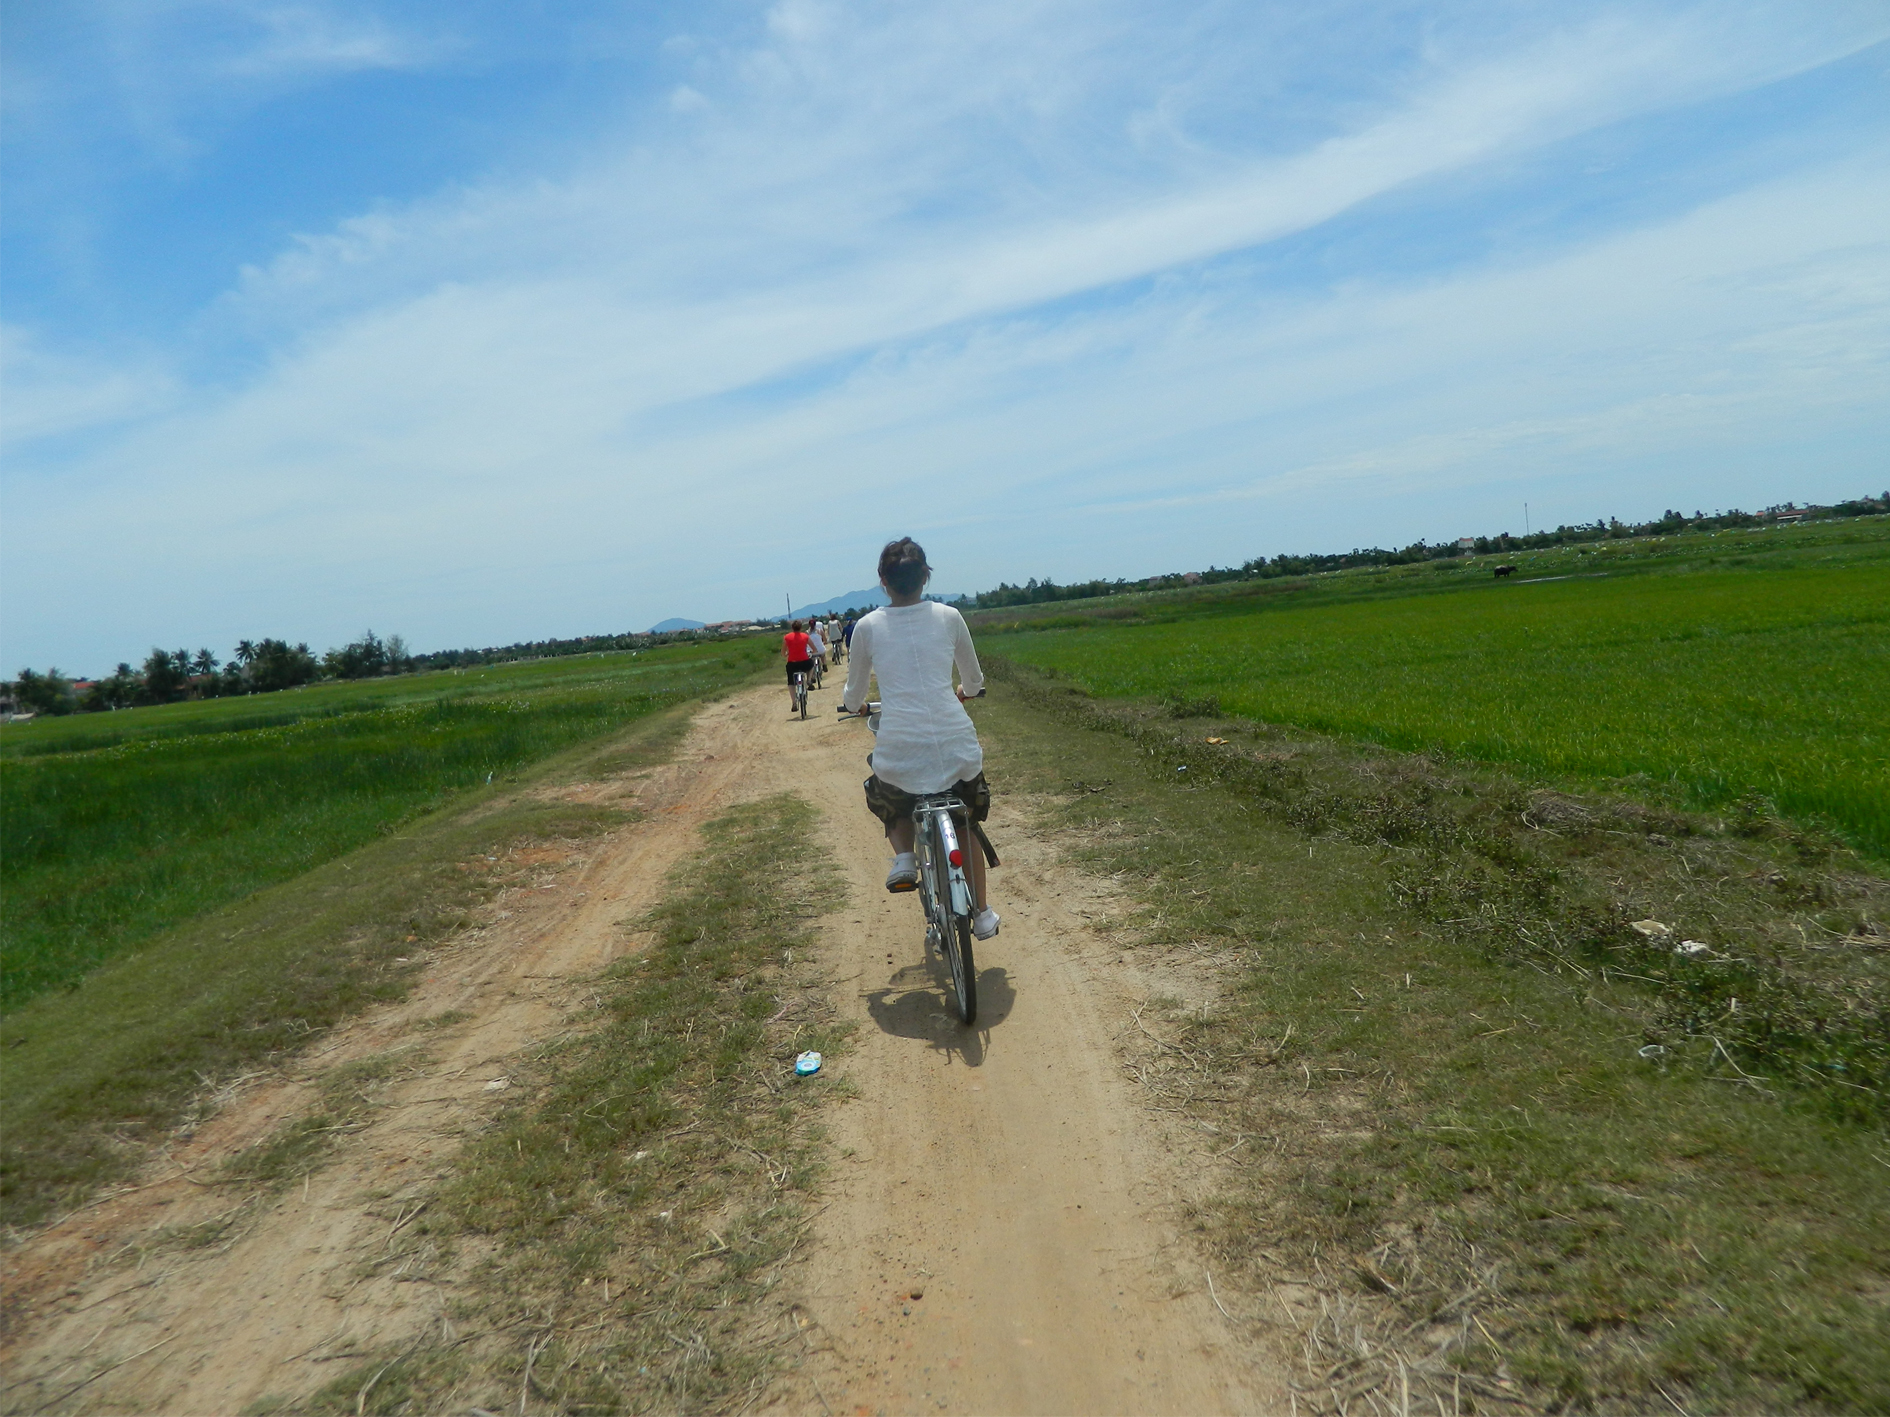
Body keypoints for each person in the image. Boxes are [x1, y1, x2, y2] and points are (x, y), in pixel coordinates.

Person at [842, 537, 999, 940]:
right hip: (955, 746)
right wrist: (967, 691)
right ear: (926, 576)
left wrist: (856, 706)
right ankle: (981, 914)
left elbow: (854, 694)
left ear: (883, 580)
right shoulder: (949, 616)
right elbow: (974, 679)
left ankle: (906, 857)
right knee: (964, 822)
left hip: (901, 750)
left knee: (886, 793)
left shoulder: (867, 627)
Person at [782, 620, 814, 714]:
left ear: (792, 628)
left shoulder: (787, 637)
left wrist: (786, 654)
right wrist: (811, 653)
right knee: (811, 665)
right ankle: (808, 680)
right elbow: (814, 648)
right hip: (804, 662)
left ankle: (794, 703)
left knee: (791, 682)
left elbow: (783, 652)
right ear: (801, 628)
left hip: (792, 663)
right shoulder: (805, 636)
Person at [807, 620, 829, 685]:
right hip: (820, 650)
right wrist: (824, 643)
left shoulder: (807, 633)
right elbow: (825, 640)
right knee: (823, 655)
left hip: (811, 651)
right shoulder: (820, 631)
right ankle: (824, 664)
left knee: (811, 662)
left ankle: (812, 677)